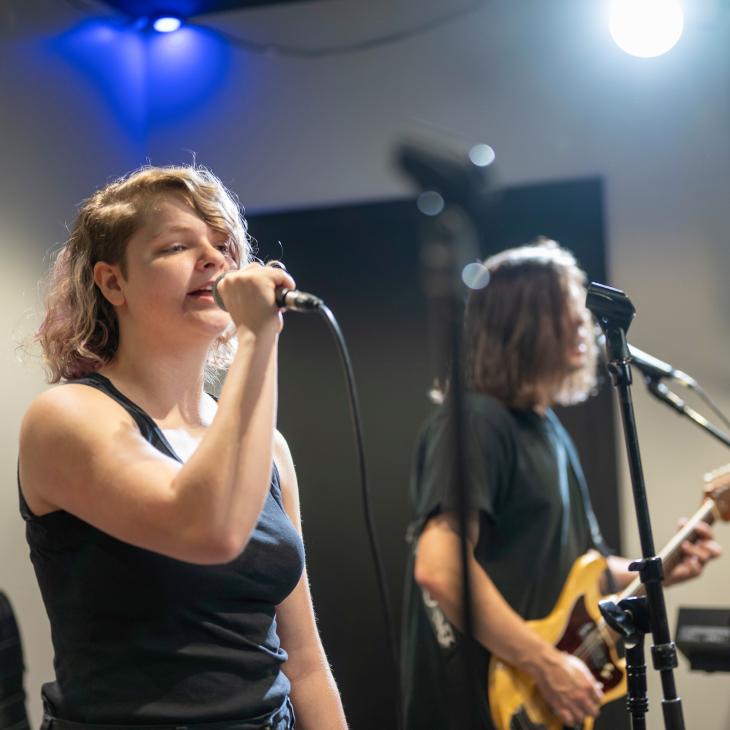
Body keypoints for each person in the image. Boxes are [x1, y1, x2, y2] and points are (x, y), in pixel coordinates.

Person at [18, 165, 348, 730]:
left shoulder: (268, 449)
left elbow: (306, 661)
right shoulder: (66, 418)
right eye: (177, 245)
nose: (214, 259)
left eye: (224, 245)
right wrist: (256, 337)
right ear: (112, 283)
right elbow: (208, 528)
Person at [401, 240, 722, 730]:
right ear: (524, 323)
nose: (585, 327)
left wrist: (665, 568)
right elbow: (440, 567)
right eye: (569, 311)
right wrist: (545, 662)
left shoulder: (549, 431)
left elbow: (585, 572)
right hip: (475, 705)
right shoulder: (475, 421)